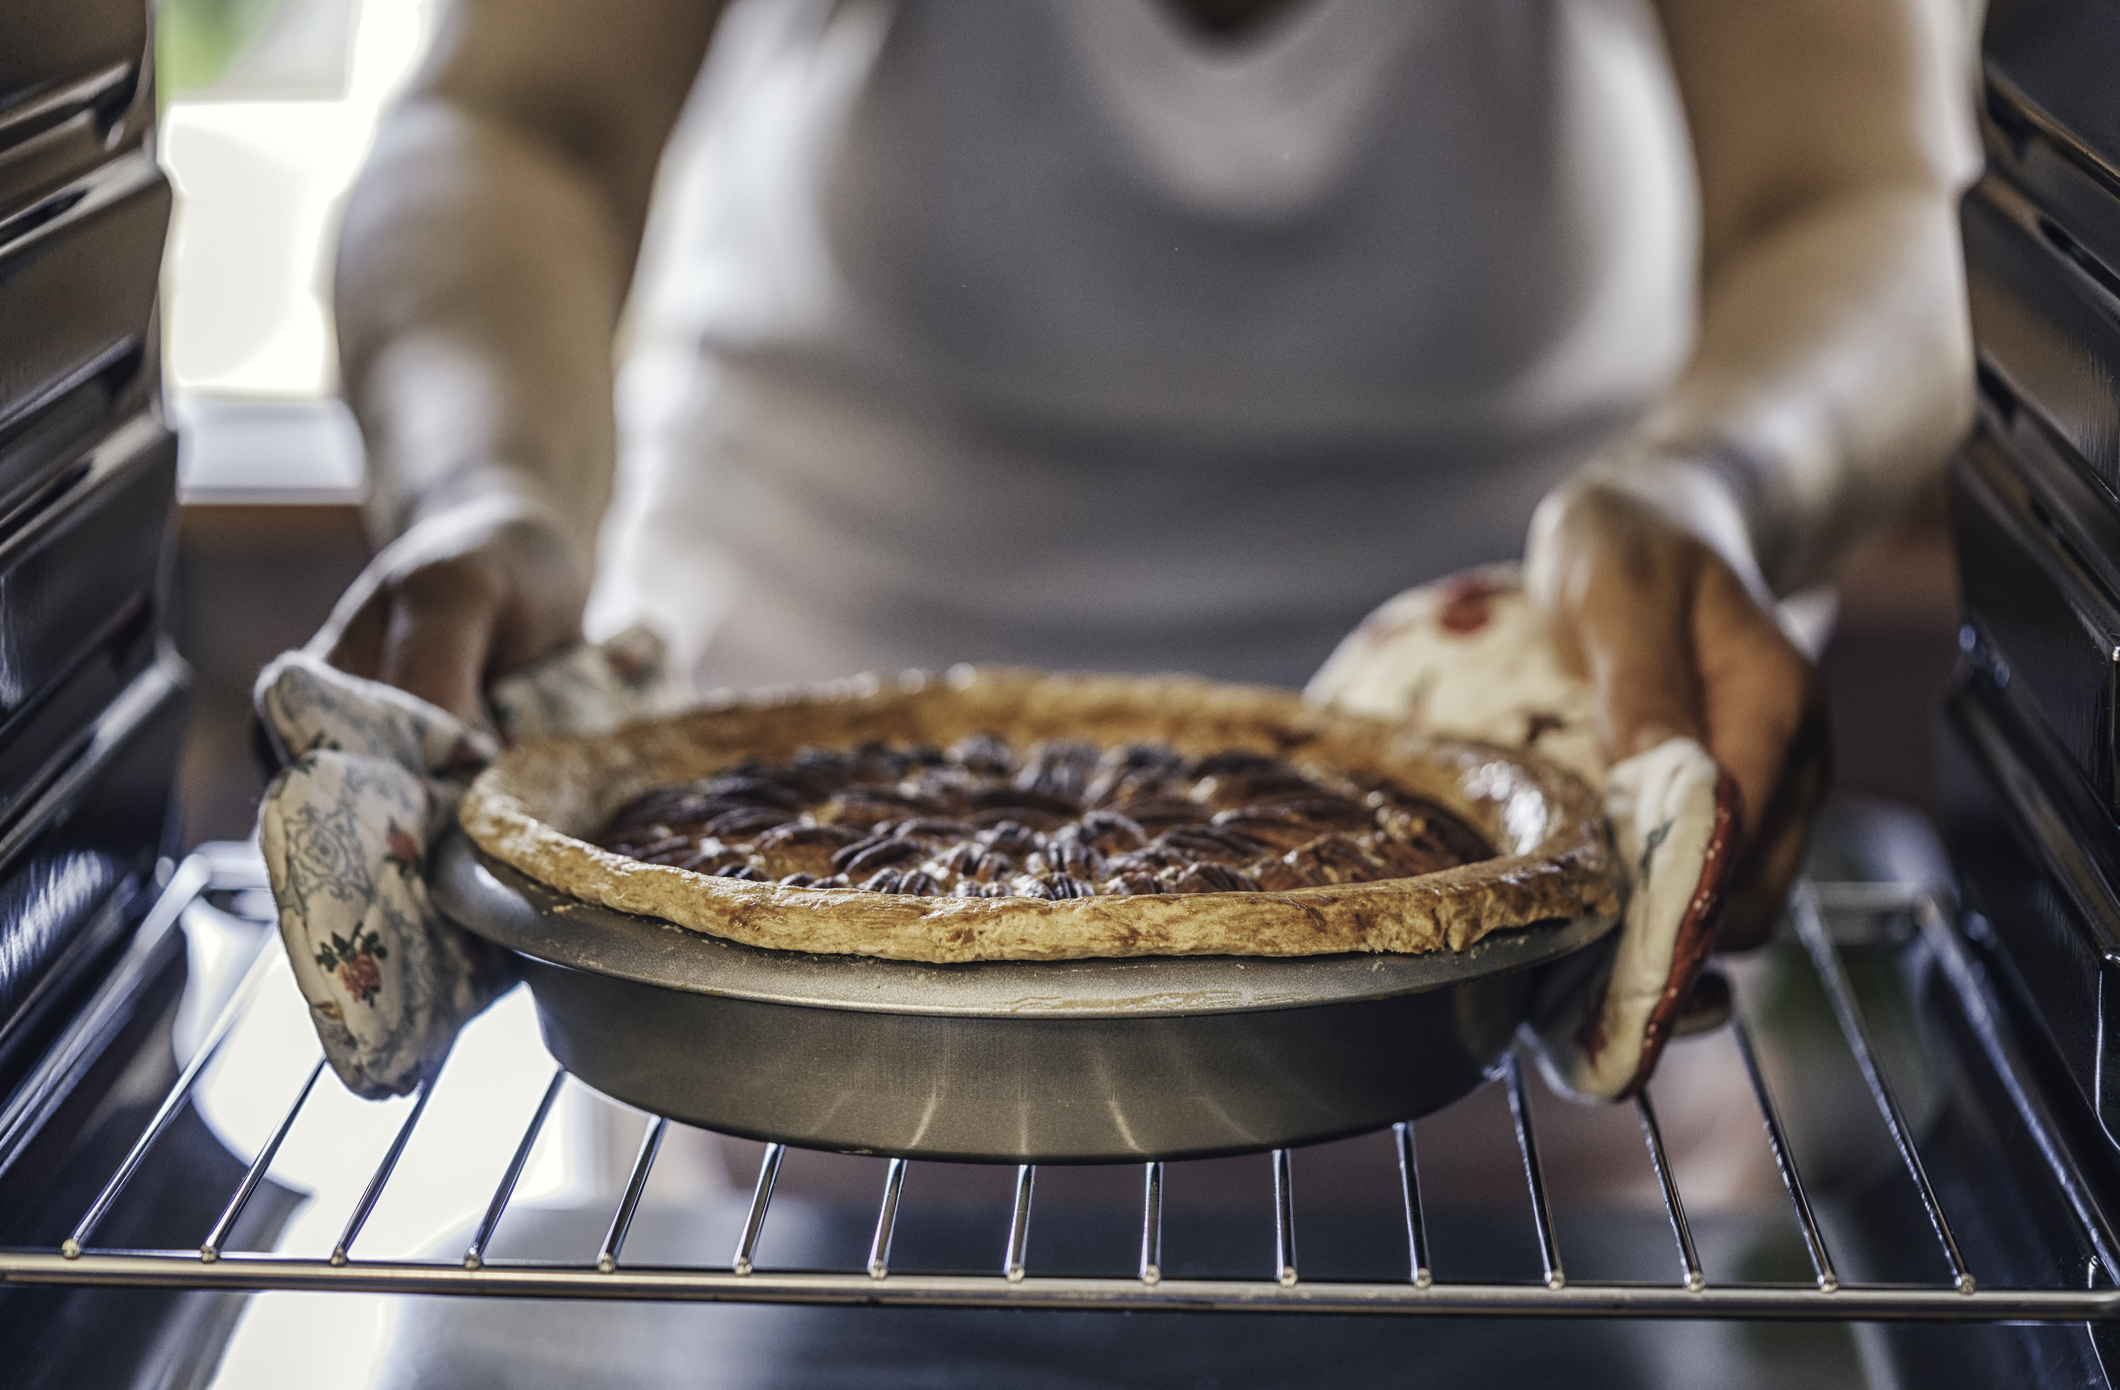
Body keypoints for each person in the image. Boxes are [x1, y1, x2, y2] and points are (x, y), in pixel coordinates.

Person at [315, 0, 1977, 952]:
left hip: (1517, 930)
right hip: (760, 920)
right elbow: (514, 126)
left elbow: (1860, 202)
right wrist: (492, 487)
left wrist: (1712, 485)